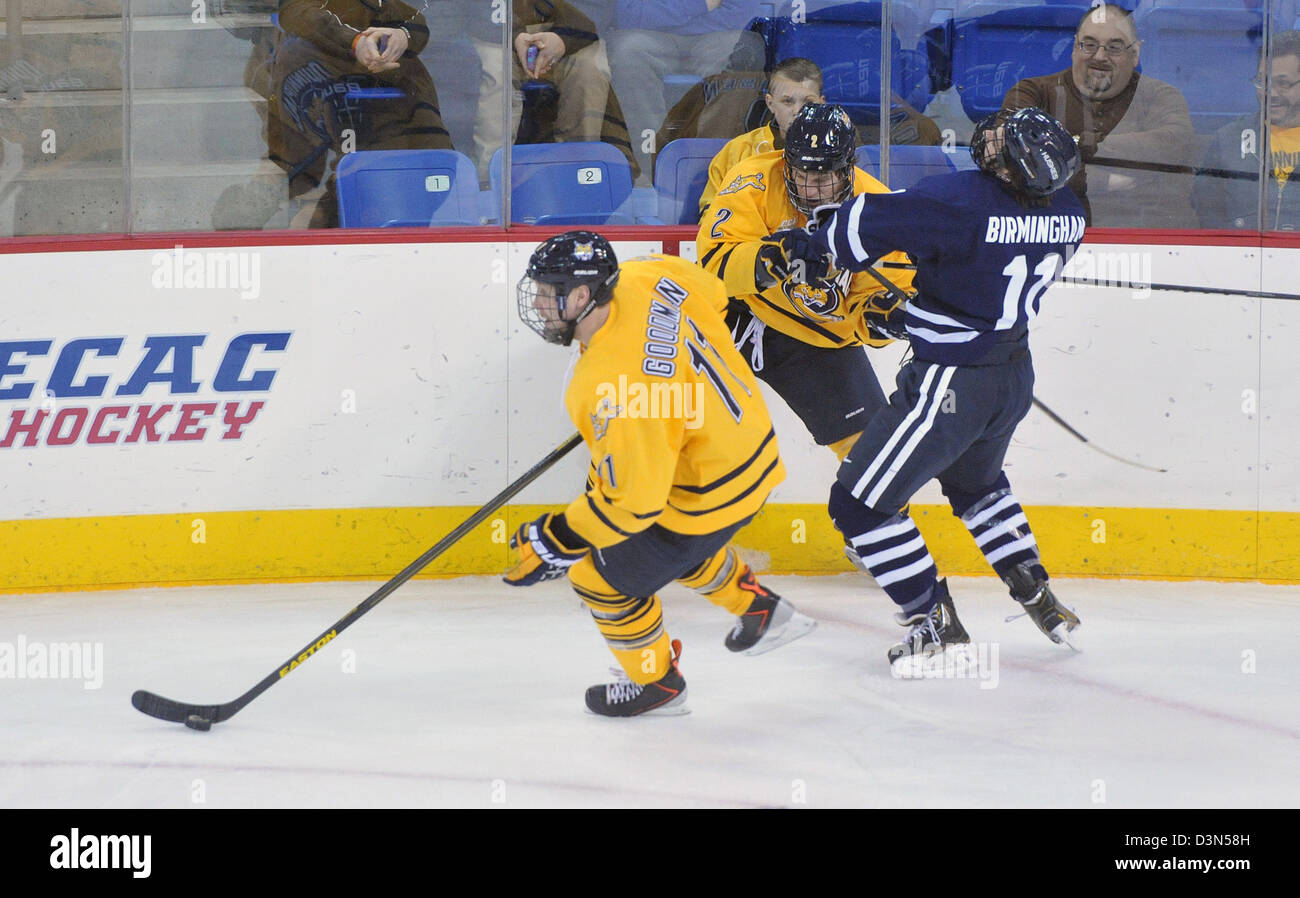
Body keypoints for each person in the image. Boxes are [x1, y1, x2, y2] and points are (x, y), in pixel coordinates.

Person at [766, 106, 1085, 670]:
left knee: (859, 505)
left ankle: (932, 621)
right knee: (977, 486)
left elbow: (853, 231)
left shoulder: (960, 201)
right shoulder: (1071, 211)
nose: (988, 147)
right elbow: (973, 264)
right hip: (1010, 375)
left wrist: (809, 245)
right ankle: (1035, 589)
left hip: (951, 384)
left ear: (1014, 168)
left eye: (1000, 147)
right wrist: (914, 310)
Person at [505, 231, 814, 716]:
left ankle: (659, 686)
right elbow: (714, 295)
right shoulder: (646, 273)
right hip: (745, 445)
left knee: (599, 578)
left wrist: (557, 539)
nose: (540, 303)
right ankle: (760, 610)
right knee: (665, 550)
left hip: (706, 490)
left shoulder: (610, 384)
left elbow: (635, 504)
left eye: (550, 291)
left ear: (583, 295)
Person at [696, 103, 917, 465]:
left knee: (878, 458)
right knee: (670, 419)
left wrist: (887, 319)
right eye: (800, 174)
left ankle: (880, 518)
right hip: (733, 315)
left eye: (823, 177)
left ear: (848, 168)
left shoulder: (875, 209)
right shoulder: (753, 178)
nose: (810, 188)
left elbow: (872, 309)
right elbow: (714, 262)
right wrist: (774, 258)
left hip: (814, 337)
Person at [1000, 3, 1196, 228]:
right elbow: (1015, 163)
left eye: (1114, 47)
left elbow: (1176, 145)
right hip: (1051, 242)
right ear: (1075, 47)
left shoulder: (1161, 96)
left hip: (1152, 245)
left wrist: (1078, 146)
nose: (1100, 56)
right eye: (1089, 45)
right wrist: (1103, 181)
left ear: (1135, 54)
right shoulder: (1032, 93)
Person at [266, 0, 453, 228]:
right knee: (308, 223)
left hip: (406, 161)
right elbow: (297, 13)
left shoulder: (396, 55)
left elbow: (416, 20)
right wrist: (356, 42)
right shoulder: (297, 47)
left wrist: (404, 36)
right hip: (354, 159)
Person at [459, 0, 639, 182]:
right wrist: (515, 35)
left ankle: (580, 172)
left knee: (590, 69)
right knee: (497, 73)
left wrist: (562, 38)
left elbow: (596, 7)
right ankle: (489, 180)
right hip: (495, 33)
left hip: (566, 29)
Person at [607, 0, 768, 180]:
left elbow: (743, 13)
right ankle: (649, 169)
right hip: (648, 36)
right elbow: (625, 14)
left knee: (742, 49)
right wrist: (701, 5)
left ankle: (714, 171)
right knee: (627, 52)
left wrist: (670, 17)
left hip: (717, 35)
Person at [1195, 30, 1300, 231]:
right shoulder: (1229, 140)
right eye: (1262, 81)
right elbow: (1207, 212)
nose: (1271, 93)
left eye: (1283, 83)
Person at [697, 57, 827, 215]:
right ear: (770, 103)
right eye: (787, 101)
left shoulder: (839, 150)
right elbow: (710, 214)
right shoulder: (739, 151)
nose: (797, 110)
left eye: (808, 102)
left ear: (822, 103)